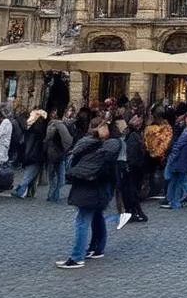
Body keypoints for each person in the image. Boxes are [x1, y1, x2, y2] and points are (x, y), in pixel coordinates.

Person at [56, 118, 122, 269]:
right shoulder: (97, 144)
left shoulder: (108, 145)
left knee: (82, 220)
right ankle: (97, 248)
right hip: (95, 184)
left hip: (92, 184)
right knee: (96, 216)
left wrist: (96, 137)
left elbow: (87, 164)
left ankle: (77, 257)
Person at [10, 109, 48, 198]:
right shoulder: (37, 127)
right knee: (29, 175)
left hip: (31, 154)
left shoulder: (34, 127)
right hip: (34, 155)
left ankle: (21, 191)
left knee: (29, 175)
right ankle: (21, 191)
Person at [121, 113, 148, 223]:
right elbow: (133, 152)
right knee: (131, 190)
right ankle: (134, 212)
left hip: (134, 167)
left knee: (131, 190)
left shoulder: (133, 135)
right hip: (133, 167)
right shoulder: (132, 135)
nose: (139, 121)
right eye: (137, 119)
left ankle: (133, 212)